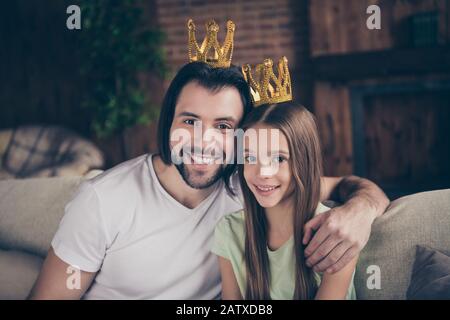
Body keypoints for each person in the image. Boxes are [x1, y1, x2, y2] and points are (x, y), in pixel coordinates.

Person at [29, 62, 389, 299]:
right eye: (189, 121)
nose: (203, 141)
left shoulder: (251, 186)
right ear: (168, 122)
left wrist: (360, 211)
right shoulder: (102, 200)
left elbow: (347, 185)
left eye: (223, 126)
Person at [213, 102, 358, 299]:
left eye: (278, 159)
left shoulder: (335, 234)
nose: (263, 173)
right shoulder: (230, 231)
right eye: (250, 158)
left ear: (304, 161)